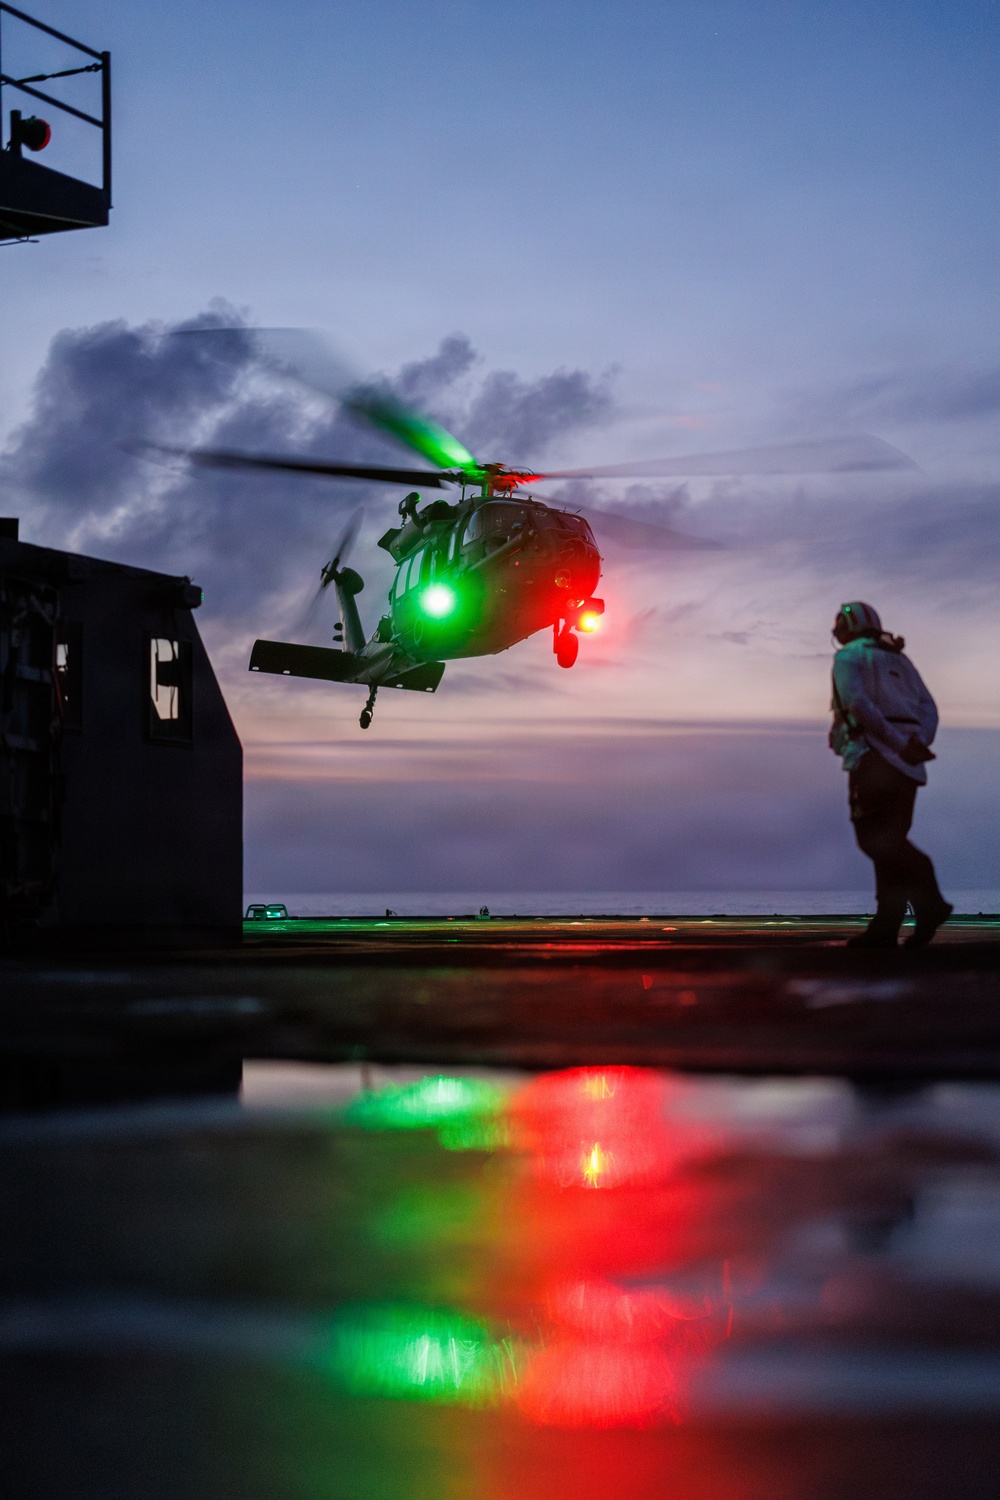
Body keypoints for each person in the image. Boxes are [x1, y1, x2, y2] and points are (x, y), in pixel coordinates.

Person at [829, 601, 952, 948]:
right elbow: (930, 708)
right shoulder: (900, 659)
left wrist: (896, 743)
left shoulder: (848, 657)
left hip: (872, 758)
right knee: (891, 839)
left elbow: (857, 705)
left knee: (875, 839)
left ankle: (931, 902)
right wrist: (917, 741)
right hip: (909, 764)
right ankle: (886, 926)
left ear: (847, 628)